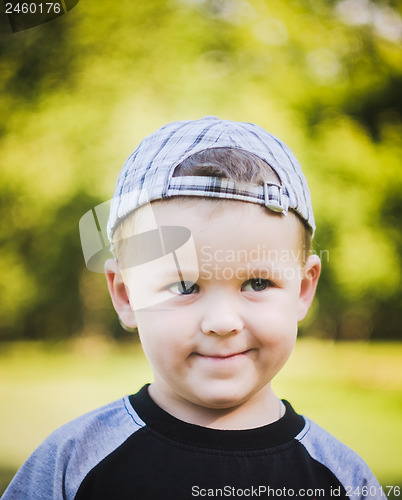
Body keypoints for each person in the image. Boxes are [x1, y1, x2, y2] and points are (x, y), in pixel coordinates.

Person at [3, 116, 382, 499]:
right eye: (184, 286)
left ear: (302, 289)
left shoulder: (343, 481)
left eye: (257, 283)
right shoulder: (73, 464)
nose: (222, 322)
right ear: (126, 295)